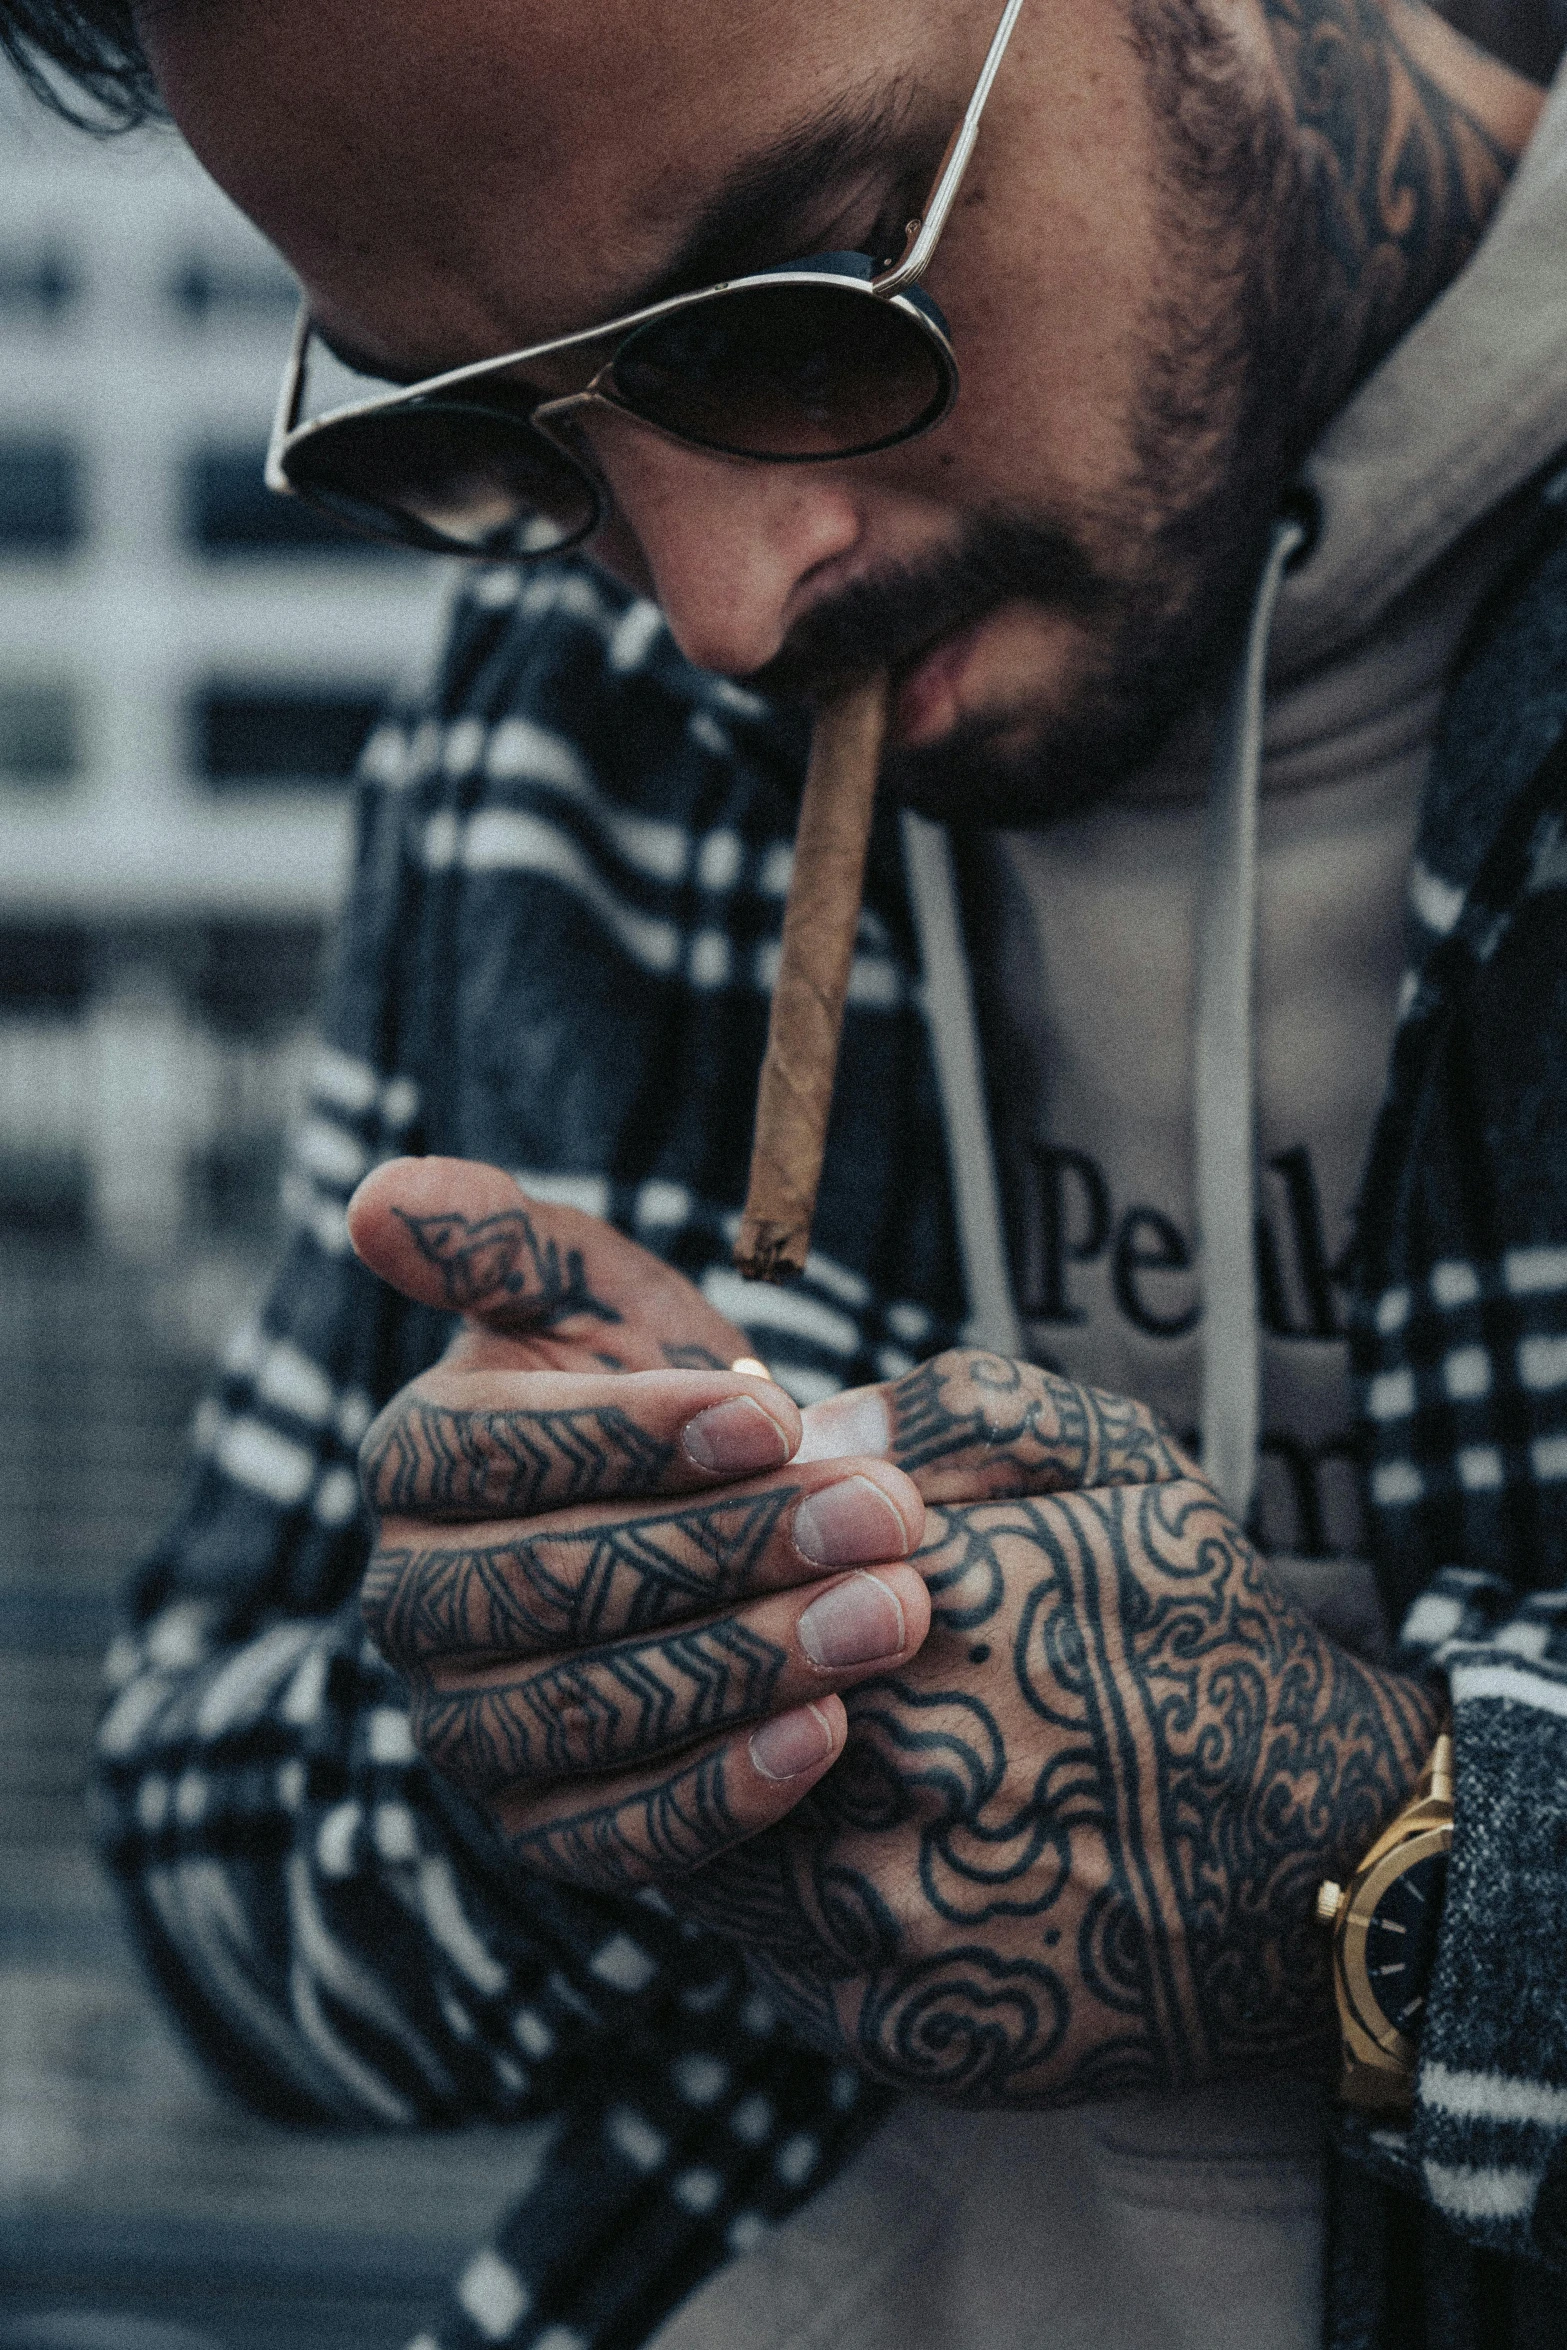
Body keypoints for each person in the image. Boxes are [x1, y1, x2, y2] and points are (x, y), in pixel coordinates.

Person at [6, 0, 1567, 2344]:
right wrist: (586, 1723)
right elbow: (214, 1861)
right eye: (505, 441)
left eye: (801, 306)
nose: (719, 599)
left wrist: (1387, 1854)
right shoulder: (573, 689)